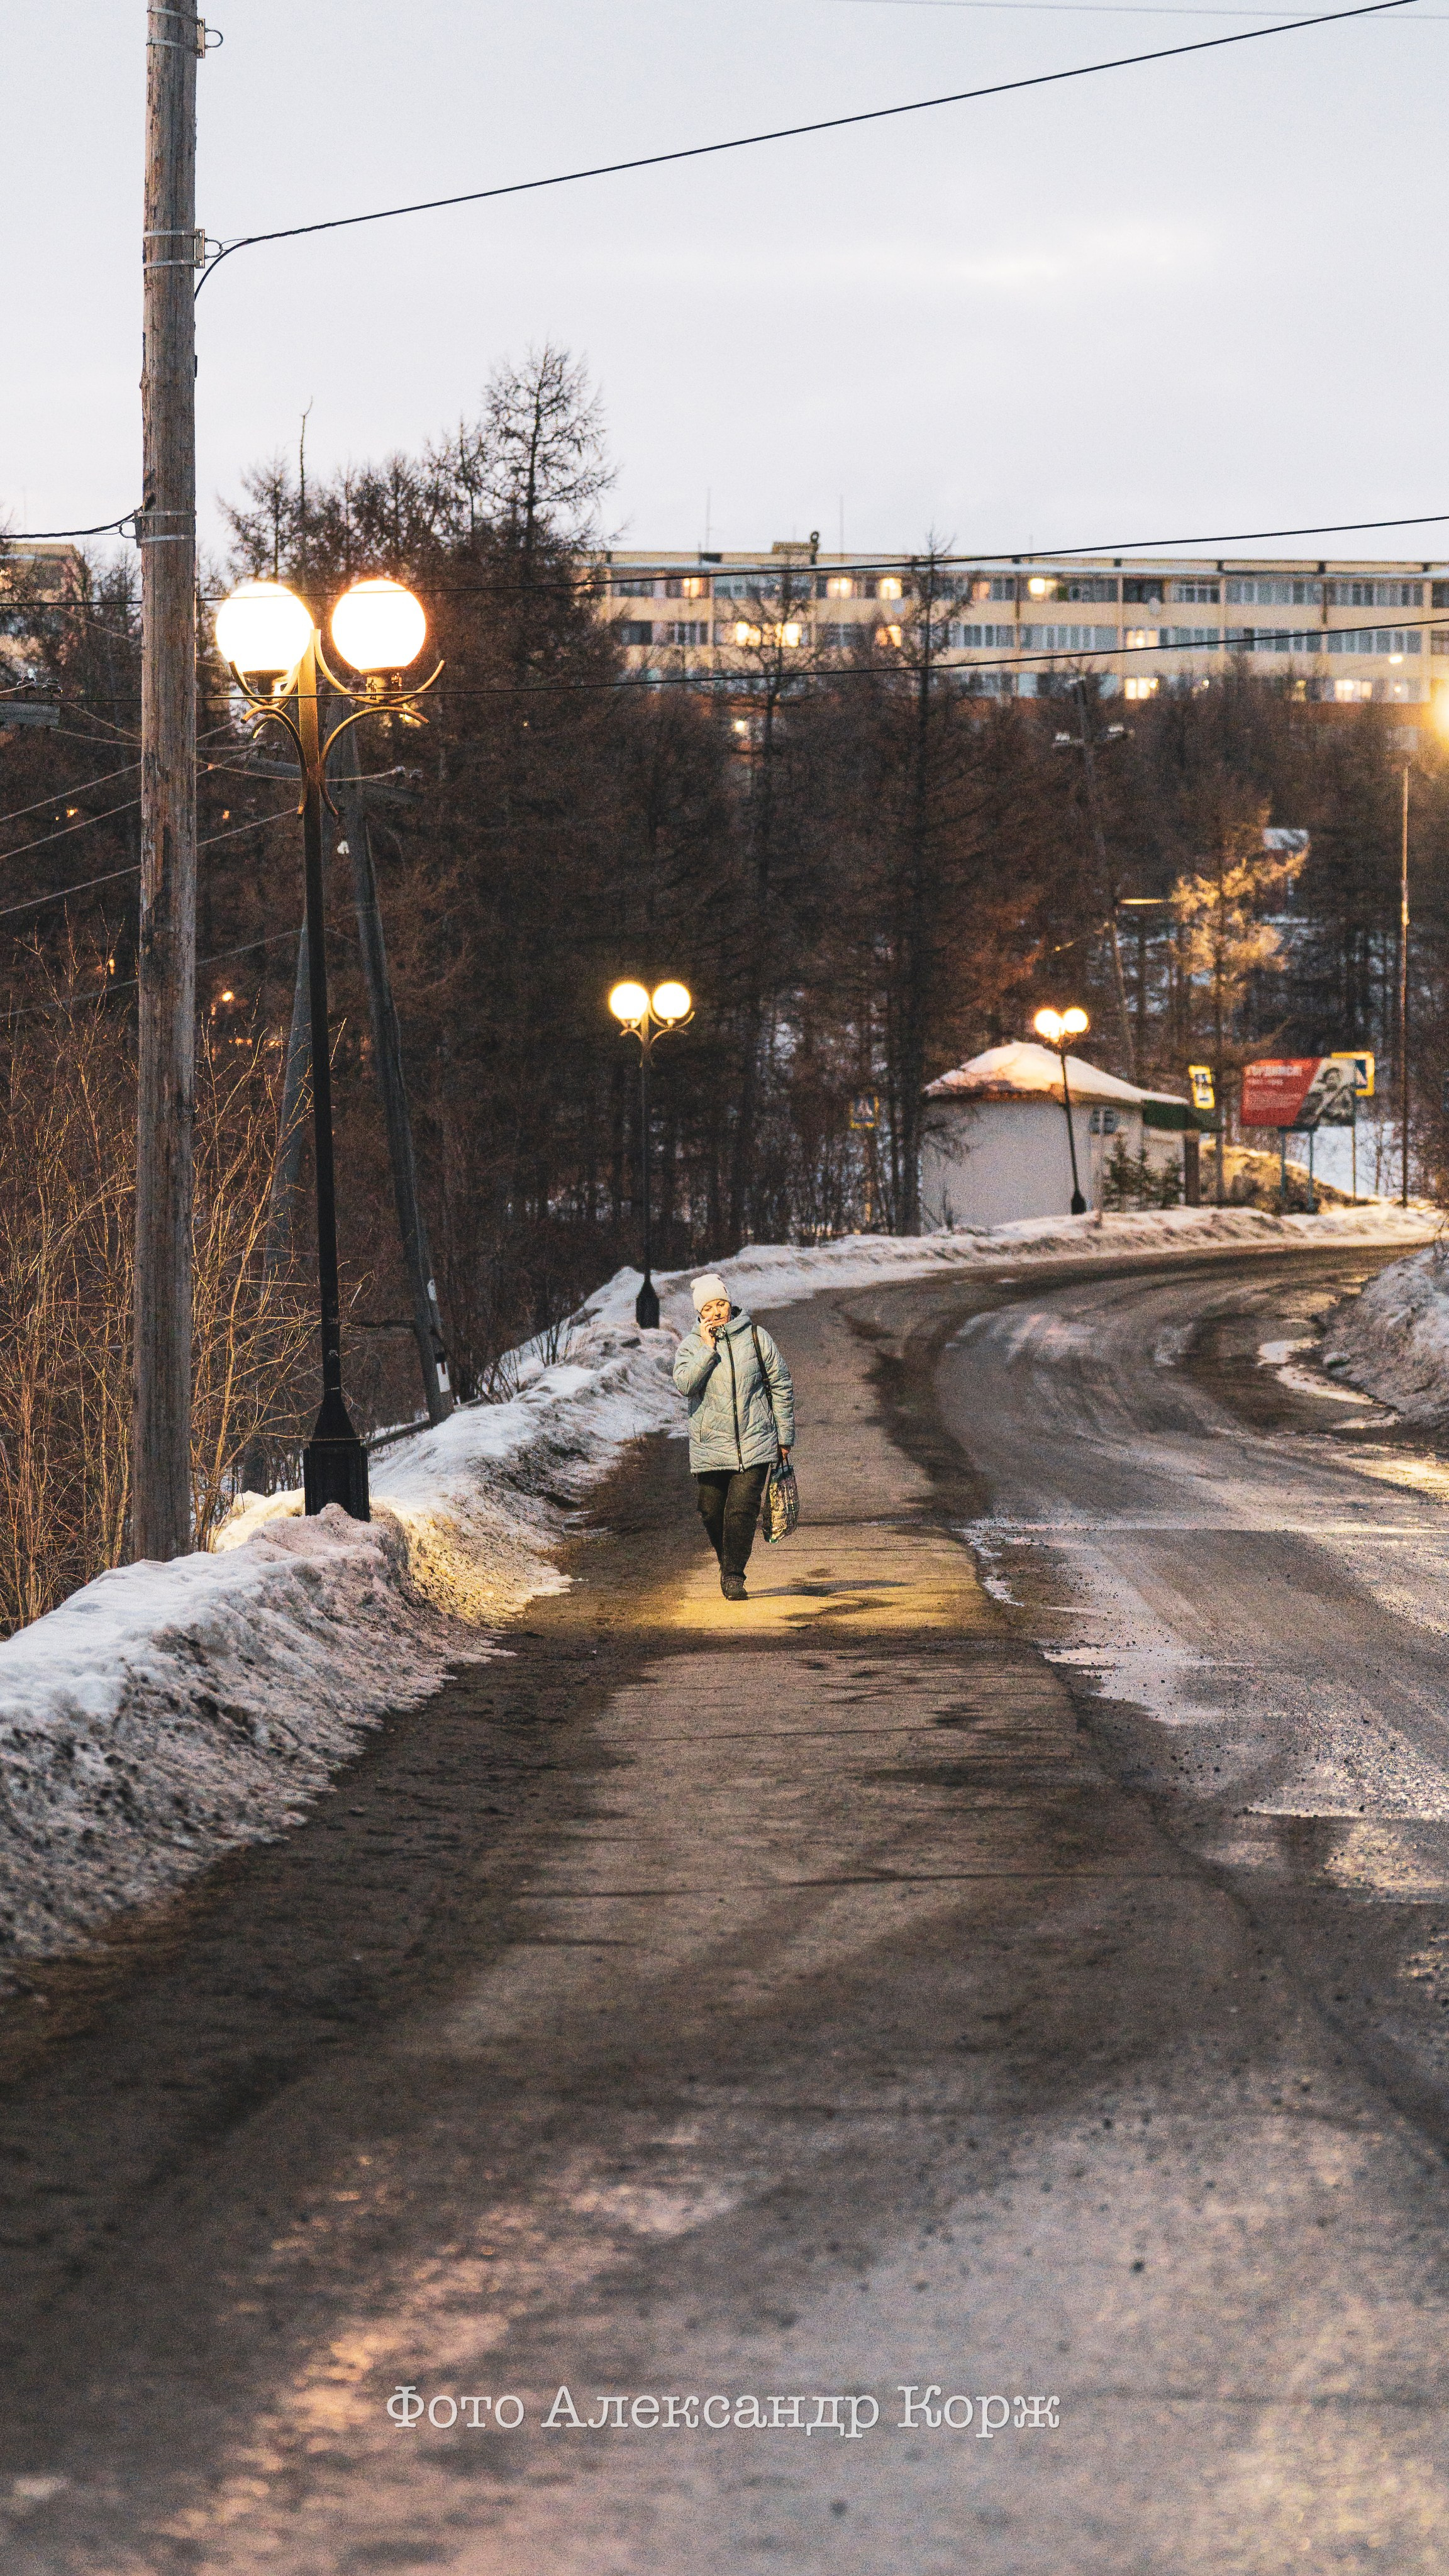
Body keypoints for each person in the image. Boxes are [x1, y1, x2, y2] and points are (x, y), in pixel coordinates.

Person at [673, 1273, 794, 1599]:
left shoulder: (757, 1337)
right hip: (710, 1446)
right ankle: (728, 1561)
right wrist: (707, 1349)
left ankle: (733, 1576)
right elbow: (685, 1385)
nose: (716, 1312)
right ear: (700, 1314)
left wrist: (784, 1438)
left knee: (741, 1510)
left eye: (721, 1304)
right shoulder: (690, 1345)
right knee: (711, 1511)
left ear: (730, 1304)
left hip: (754, 1444)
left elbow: (781, 1384)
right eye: (709, 1308)